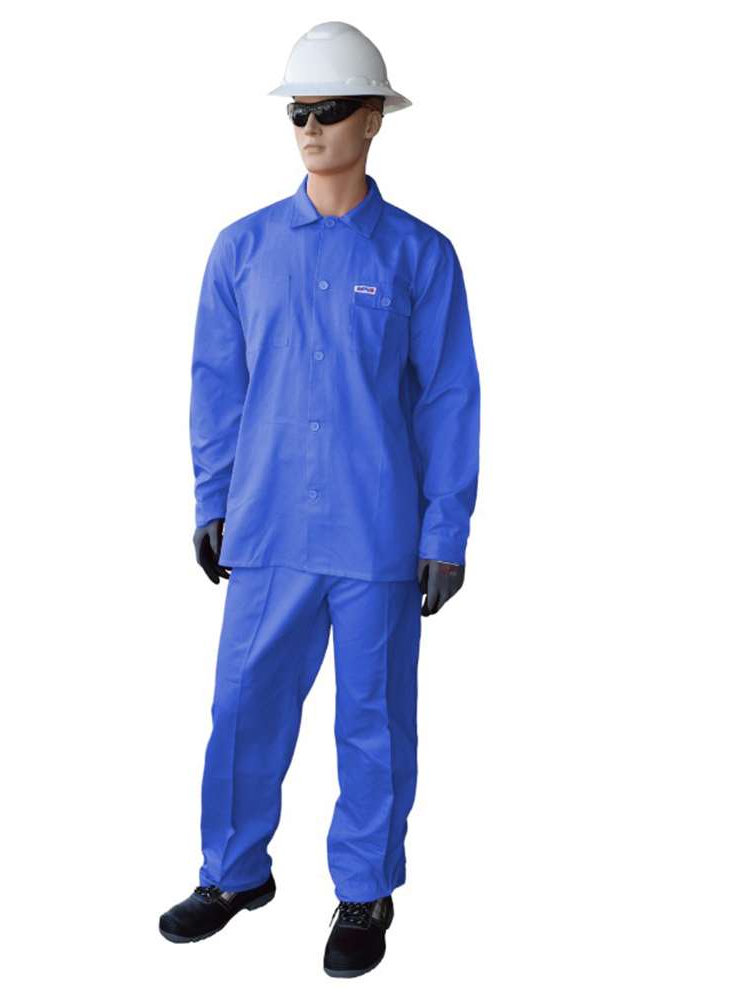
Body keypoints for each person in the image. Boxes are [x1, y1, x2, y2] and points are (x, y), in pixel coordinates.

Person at [160, 21, 481, 978]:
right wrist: (212, 499)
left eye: (330, 109)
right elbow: (217, 386)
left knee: (373, 720)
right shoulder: (243, 250)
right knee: (242, 708)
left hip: (377, 530)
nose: (310, 127)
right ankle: (232, 872)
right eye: (298, 111)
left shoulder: (421, 257)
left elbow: (450, 398)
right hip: (266, 528)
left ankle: (365, 889)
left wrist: (445, 530)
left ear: (373, 119)